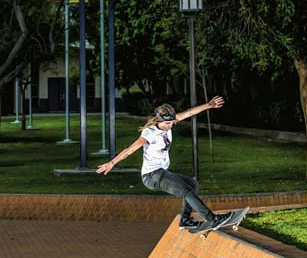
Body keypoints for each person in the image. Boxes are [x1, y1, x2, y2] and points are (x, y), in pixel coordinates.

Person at [97, 96, 228, 231]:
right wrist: (112, 163)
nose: (170, 126)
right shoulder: (149, 133)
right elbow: (130, 150)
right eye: (167, 124)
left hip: (161, 172)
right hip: (152, 175)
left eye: (172, 123)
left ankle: (185, 220)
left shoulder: (169, 121)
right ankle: (212, 219)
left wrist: (209, 105)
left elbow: (189, 112)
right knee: (186, 190)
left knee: (192, 184)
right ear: (158, 121)